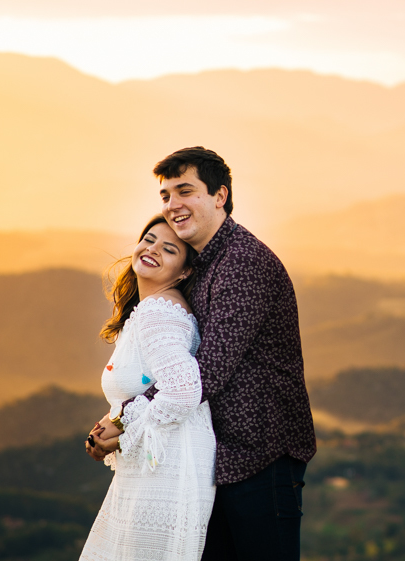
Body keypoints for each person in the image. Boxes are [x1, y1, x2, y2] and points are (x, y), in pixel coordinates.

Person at [90, 147, 317, 561]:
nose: (173, 204)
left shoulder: (242, 262)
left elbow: (205, 373)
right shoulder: (206, 263)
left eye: (185, 191)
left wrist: (122, 419)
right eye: (165, 195)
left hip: (259, 455)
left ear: (220, 196)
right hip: (216, 459)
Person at [82, 214, 216, 560]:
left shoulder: (159, 312)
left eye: (169, 250)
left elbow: (184, 391)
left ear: (185, 271)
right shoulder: (149, 310)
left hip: (166, 472)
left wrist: (122, 427)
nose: (153, 249)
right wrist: (117, 426)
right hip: (155, 467)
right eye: (149, 239)